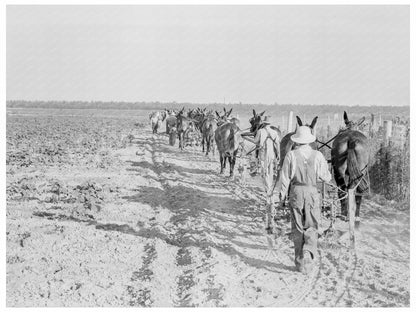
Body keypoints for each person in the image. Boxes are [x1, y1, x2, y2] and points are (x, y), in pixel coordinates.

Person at [278, 125, 331, 274]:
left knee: (297, 226)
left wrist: (282, 197)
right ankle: (309, 250)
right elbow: (326, 177)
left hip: (296, 191)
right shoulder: (318, 155)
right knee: (312, 225)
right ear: (309, 140)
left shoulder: (291, 155)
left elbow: (285, 179)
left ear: (296, 141)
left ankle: (300, 261)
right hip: (312, 191)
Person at [245, 115, 280, 233]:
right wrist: (278, 155)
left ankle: (268, 192)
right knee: (270, 172)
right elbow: (277, 145)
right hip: (272, 156)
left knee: (265, 175)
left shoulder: (260, 131)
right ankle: (270, 189)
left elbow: (256, 142)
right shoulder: (274, 132)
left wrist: (247, 138)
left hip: (264, 155)